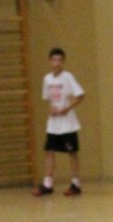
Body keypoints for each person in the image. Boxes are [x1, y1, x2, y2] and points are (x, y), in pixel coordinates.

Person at [32, 47, 85, 197]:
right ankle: (47, 183)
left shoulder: (68, 77)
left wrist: (67, 108)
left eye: (60, 60)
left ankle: (75, 183)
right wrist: (50, 108)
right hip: (53, 124)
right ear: (50, 61)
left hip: (68, 124)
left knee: (71, 152)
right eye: (54, 60)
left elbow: (80, 95)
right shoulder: (47, 79)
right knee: (49, 151)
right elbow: (48, 98)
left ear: (63, 62)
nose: (57, 63)